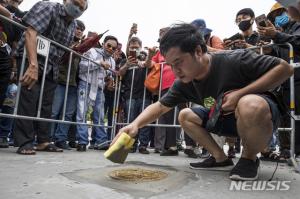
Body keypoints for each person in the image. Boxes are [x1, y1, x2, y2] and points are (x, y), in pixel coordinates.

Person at [113, 23, 293, 181]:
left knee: (249, 104)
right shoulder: (183, 82)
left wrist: (240, 95)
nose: (176, 71)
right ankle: (220, 158)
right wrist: (135, 124)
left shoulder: (233, 59)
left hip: (258, 118)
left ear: (198, 51)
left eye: (179, 62)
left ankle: (249, 158)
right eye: (171, 65)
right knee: (185, 115)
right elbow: (160, 106)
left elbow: (285, 69)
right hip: (222, 119)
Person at [13, 0, 88, 155]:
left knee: (46, 105)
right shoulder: (49, 7)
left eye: (82, 8)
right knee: (29, 99)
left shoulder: (73, 25)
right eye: (75, 3)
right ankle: (25, 142)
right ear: (66, 1)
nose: (78, 9)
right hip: (31, 58)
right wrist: (32, 65)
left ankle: (43, 140)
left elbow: (61, 49)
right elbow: (31, 33)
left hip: (51, 65)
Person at [258, 2, 300, 160]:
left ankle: (296, 151)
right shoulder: (284, 32)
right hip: (286, 81)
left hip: (297, 78)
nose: (277, 18)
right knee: (286, 116)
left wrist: (276, 35)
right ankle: (288, 150)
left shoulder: (296, 27)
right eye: (273, 17)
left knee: (297, 116)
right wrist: (270, 49)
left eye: (279, 14)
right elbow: (281, 53)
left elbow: (297, 43)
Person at [76, 35, 117, 152]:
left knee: (99, 115)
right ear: (103, 44)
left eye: (113, 48)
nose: (110, 49)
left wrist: (110, 81)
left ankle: (101, 141)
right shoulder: (92, 51)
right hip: (85, 83)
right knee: (82, 112)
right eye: (108, 45)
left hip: (99, 88)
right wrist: (99, 63)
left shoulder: (112, 61)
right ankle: (82, 141)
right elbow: (82, 67)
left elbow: (109, 76)